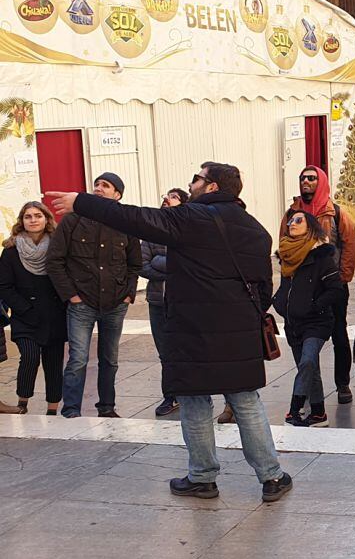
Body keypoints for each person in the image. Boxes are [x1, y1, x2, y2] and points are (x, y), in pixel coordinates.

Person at [46, 162, 294, 502]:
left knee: (194, 401)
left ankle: (203, 477)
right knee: (246, 400)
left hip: (193, 329)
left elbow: (134, 218)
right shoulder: (256, 229)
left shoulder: (190, 219)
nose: (191, 184)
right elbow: (264, 288)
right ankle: (272, 477)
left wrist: (82, 202)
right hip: (238, 330)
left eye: (197, 178)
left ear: (211, 187)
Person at [45, 172, 140, 419]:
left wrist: (128, 293)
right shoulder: (73, 220)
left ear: (117, 195)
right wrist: (71, 296)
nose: (99, 188)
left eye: (106, 186)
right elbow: (54, 261)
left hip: (115, 303)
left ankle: (107, 407)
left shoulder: (125, 222)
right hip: (82, 303)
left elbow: (135, 264)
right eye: (97, 184)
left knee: (110, 359)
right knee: (77, 359)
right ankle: (72, 410)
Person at [280, 165, 355, 404]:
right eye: (303, 178)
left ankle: (342, 383)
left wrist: (342, 278)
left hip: (330, 285)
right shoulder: (292, 212)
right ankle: (310, 391)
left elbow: (349, 244)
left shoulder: (335, 212)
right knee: (304, 340)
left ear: (321, 181)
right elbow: (284, 244)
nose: (306, 182)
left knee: (339, 334)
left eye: (312, 178)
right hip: (301, 286)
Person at [274, 210, 344, 428]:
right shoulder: (287, 254)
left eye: (298, 221)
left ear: (311, 227)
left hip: (317, 322)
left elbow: (336, 290)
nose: (292, 224)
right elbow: (286, 288)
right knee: (309, 368)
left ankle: (294, 410)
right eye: (290, 221)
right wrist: (279, 302)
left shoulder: (321, 256)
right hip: (293, 323)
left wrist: (314, 306)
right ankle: (318, 413)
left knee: (307, 362)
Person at [0, 202, 66, 415]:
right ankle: (23, 401)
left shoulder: (58, 246)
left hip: (54, 314)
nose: (33, 220)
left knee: (54, 362)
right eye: (28, 216)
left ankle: (52, 409)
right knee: (29, 356)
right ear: (22, 221)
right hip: (25, 315)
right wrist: (23, 308)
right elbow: (4, 286)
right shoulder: (10, 251)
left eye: (38, 215)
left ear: (46, 219)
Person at [141, 188, 189, 416]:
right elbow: (143, 265)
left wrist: (161, 262)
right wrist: (172, 270)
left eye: (172, 197)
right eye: (164, 197)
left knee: (188, 350)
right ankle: (170, 396)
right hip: (158, 302)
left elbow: (191, 264)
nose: (165, 200)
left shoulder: (191, 230)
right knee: (165, 352)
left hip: (185, 302)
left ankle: (194, 392)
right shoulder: (153, 232)